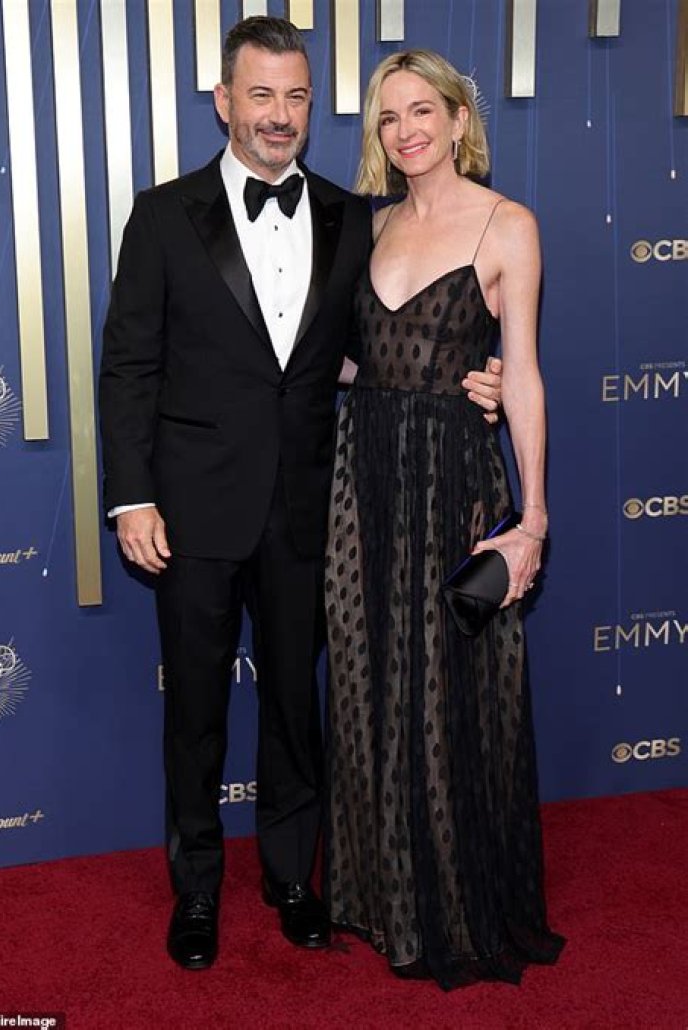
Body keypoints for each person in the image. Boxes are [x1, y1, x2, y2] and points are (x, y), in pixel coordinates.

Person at [99, 19, 502, 972]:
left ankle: (291, 876)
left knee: (293, 704)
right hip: (192, 512)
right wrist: (131, 497)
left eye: (297, 97)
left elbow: (385, 345)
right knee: (196, 710)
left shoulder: (350, 216)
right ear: (223, 102)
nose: (280, 115)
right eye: (261, 95)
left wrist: (472, 380)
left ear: (312, 106)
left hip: (315, 507)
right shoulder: (162, 214)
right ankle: (197, 888)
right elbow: (129, 368)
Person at [324, 49, 565, 989]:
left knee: (446, 689)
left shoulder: (509, 225)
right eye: (388, 117)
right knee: (368, 673)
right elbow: (361, 358)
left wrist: (532, 520)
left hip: (452, 479)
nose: (406, 131)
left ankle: (455, 902)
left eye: (423, 110)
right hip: (364, 476)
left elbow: (525, 373)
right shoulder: (372, 225)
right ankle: (381, 892)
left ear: (461, 119)